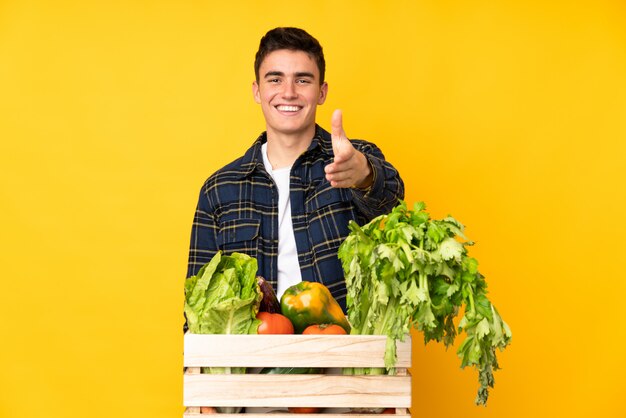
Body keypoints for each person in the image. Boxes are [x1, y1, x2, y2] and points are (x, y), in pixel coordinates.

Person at [186, 27, 404, 309]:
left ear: (322, 92)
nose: (288, 93)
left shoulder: (351, 160)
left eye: (302, 80)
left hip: (343, 346)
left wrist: (364, 174)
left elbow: (392, 196)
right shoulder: (219, 189)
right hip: (253, 350)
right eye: (275, 79)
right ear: (257, 91)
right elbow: (197, 302)